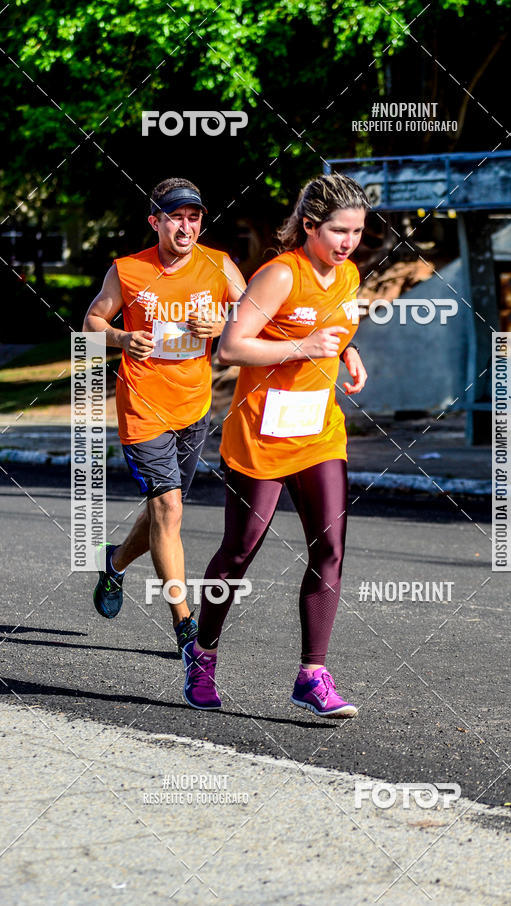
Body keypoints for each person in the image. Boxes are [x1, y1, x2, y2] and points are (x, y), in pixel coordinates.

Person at [181, 173, 369, 717]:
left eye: (356, 232)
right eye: (338, 231)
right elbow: (232, 348)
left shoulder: (349, 274)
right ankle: (203, 653)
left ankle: (313, 675)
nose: (347, 242)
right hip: (261, 433)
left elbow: (340, 329)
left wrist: (348, 353)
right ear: (309, 225)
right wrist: (303, 346)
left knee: (330, 549)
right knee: (240, 552)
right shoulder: (280, 275)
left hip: (318, 433)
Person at [83, 177, 245, 653]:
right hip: (142, 407)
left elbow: (257, 313)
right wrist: (119, 338)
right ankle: (185, 627)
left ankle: (112, 561)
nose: (187, 226)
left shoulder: (219, 265)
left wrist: (223, 323)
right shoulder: (128, 271)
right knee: (168, 508)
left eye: (194, 217)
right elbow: (92, 322)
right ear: (155, 221)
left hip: (194, 408)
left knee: (165, 512)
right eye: (176, 216)